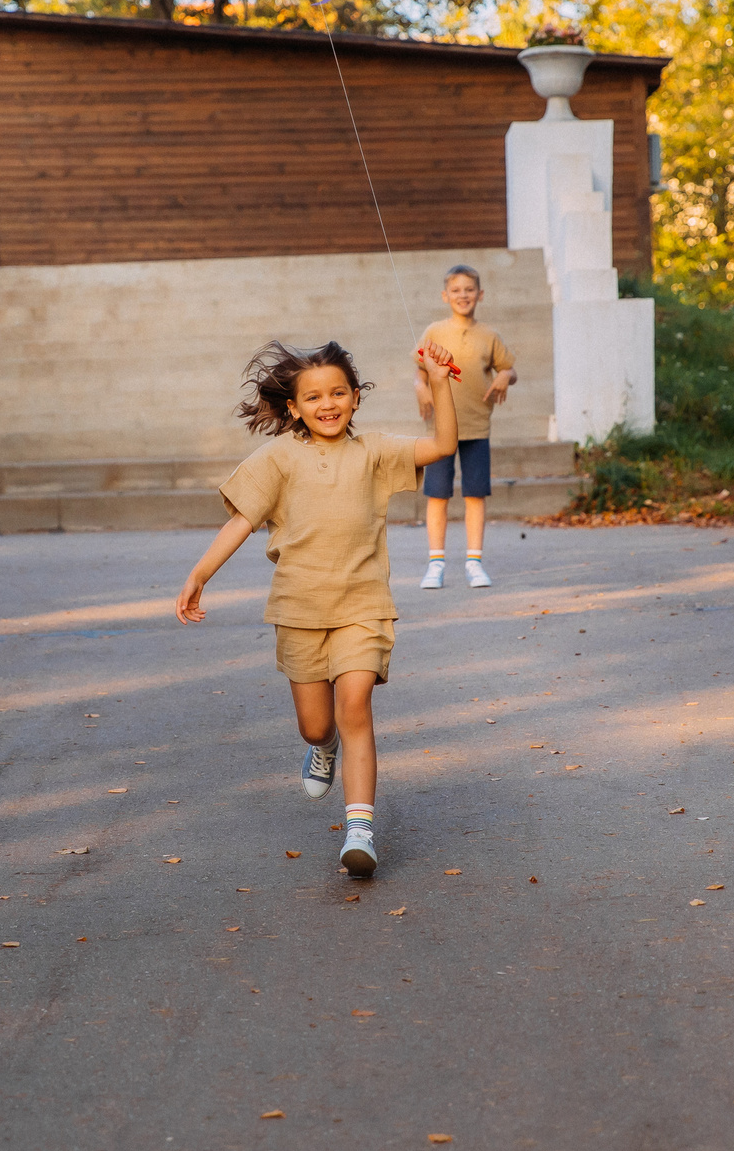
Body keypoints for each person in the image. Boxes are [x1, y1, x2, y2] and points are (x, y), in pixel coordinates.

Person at [174, 337, 458, 879]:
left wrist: (438, 381)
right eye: (313, 397)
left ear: (355, 397)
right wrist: (199, 574)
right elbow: (241, 520)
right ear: (293, 407)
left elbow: (443, 445)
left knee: (356, 707)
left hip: (363, 606)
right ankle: (321, 748)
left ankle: (360, 830)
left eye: (338, 393)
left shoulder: (373, 452)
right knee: (315, 724)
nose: (327, 404)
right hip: (299, 609)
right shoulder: (277, 457)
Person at [413, 264, 516, 589]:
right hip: (441, 434)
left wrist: (504, 375)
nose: (463, 295)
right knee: (437, 496)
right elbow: (419, 369)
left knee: (475, 496)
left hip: (477, 430)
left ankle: (474, 563)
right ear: (446, 296)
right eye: (456, 290)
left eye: (469, 289)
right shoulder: (434, 331)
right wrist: (420, 387)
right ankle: (436, 563)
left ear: (480, 294)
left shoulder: (490, 335)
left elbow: (510, 370)